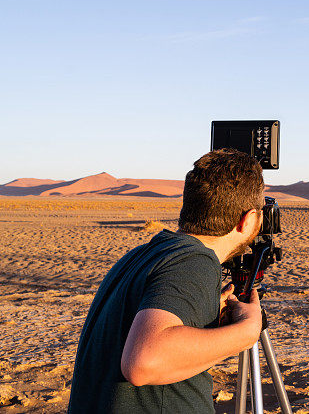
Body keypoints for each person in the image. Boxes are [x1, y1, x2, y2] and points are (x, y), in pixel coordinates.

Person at [68, 149, 266, 413]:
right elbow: (142, 363)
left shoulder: (143, 255)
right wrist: (246, 332)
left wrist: (205, 323)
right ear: (249, 219)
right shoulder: (194, 261)